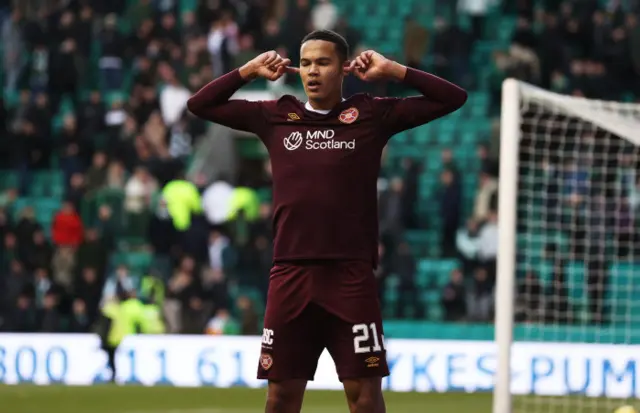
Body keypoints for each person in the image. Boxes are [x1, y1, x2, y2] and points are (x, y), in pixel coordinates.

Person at [188, 29, 467, 413]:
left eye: (323, 62)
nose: (312, 71)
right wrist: (248, 71)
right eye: (305, 63)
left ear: (344, 68)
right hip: (290, 277)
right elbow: (199, 105)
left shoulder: (370, 114)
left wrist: (394, 70)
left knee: (364, 399)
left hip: (350, 279)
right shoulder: (275, 116)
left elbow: (454, 98)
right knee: (280, 399)